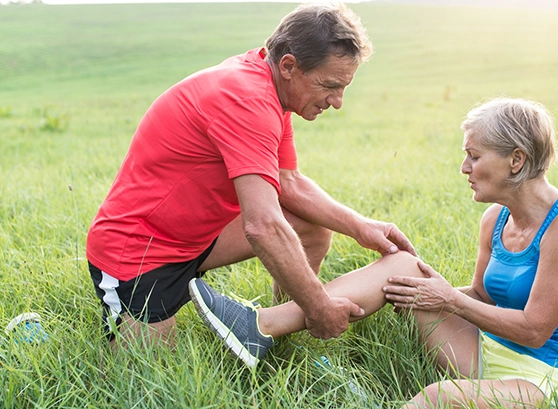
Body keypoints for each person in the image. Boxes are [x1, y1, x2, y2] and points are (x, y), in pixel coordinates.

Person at [189, 97, 558, 409]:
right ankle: (260, 326)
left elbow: (534, 330)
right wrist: (408, 293)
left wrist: (449, 300)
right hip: (487, 352)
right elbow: (481, 294)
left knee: (440, 398)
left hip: (548, 381)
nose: (464, 168)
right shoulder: (496, 218)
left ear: (516, 160)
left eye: (474, 156)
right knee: (402, 266)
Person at [85, 2, 415, 350]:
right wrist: (319, 309)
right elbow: (262, 226)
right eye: (330, 85)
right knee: (148, 378)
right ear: (289, 66)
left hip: (197, 240)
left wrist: (360, 226)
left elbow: (289, 183)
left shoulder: (271, 87)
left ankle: (267, 330)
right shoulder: (247, 100)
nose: (337, 102)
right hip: (139, 253)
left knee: (310, 227)